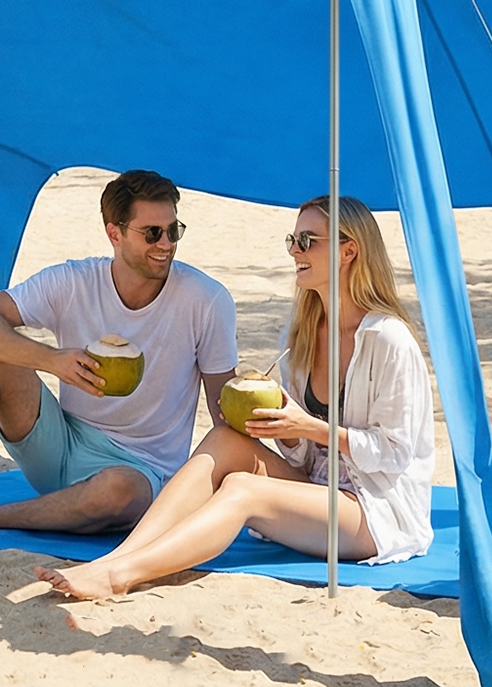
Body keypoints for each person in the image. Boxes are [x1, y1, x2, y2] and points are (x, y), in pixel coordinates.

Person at [39, 195, 435, 600]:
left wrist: (311, 427)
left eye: (308, 241)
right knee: (226, 441)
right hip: (322, 489)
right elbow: (304, 460)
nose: (295, 252)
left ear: (349, 250)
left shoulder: (388, 340)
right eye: (292, 240)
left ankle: (120, 575)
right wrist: (288, 431)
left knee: (242, 489)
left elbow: (395, 453)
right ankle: (117, 557)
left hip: (375, 511)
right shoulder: (299, 338)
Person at [0, 169, 237, 553]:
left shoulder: (205, 300)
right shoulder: (73, 280)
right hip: (60, 445)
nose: (165, 244)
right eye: (152, 233)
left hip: (141, 472)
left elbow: (221, 410)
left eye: (173, 231)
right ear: (115, 233)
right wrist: (52, 360)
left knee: (117, 491)